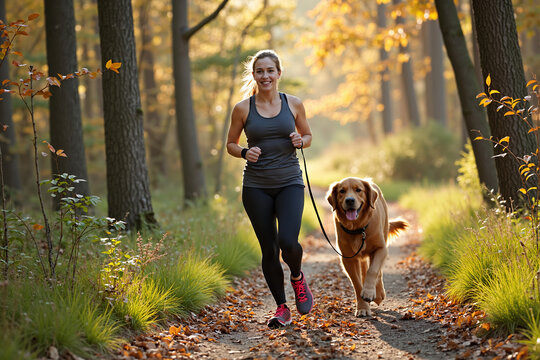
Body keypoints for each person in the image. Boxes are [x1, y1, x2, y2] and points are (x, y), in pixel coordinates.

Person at [226, 49, 314, 328]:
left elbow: (308, 135)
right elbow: (230, 144)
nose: (265, 76)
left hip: (289, 181)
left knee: (288, 242)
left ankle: (298, 278)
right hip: (256, 187)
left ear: (278, 73)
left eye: (270, 70)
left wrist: (301, 140)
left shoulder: (294, 104)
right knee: (269, 249)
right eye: (260, 71)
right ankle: (281, 307)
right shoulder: (243, 108)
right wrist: (243, 152)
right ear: (254, 75)